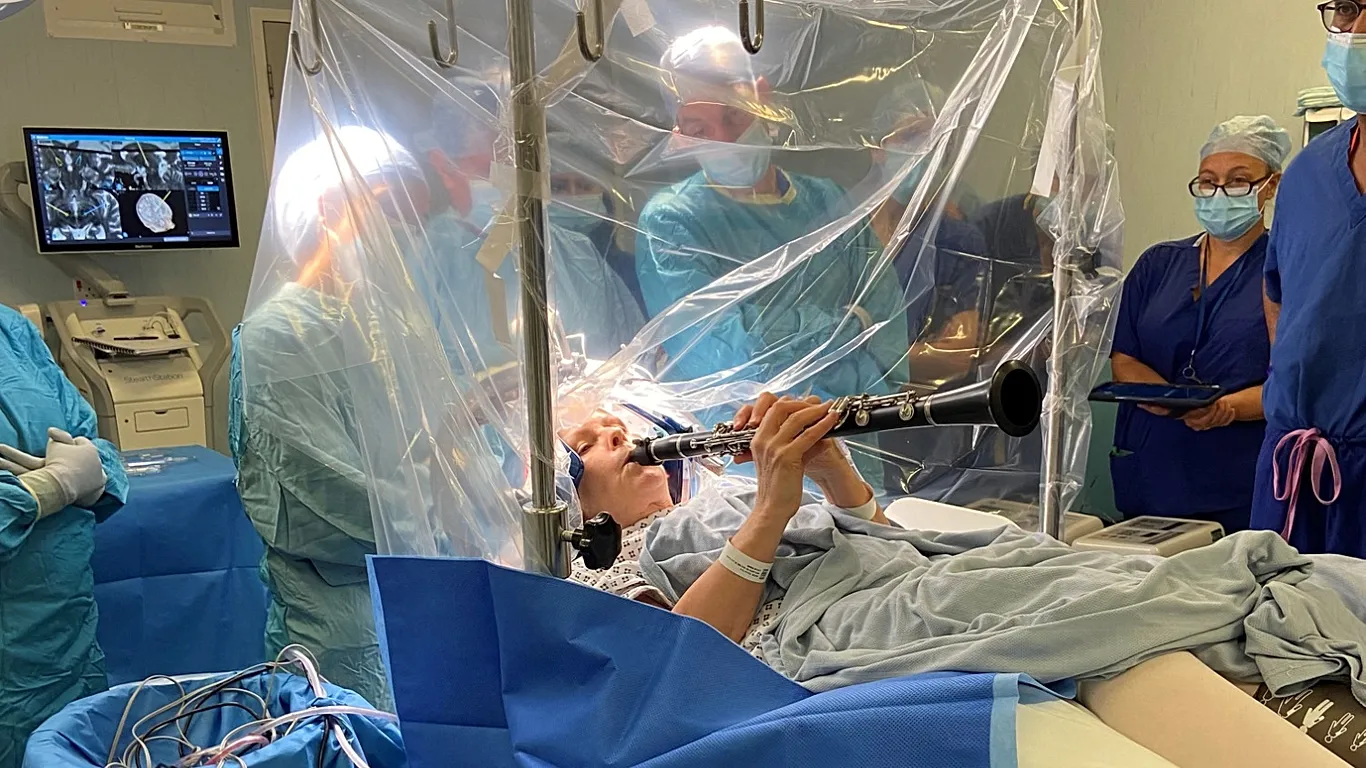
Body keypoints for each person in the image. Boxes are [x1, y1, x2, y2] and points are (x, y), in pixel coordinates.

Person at [229, 125, 433, 711]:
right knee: (347, 738)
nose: (404, 236)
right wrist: (441, 515)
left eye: (411, 221)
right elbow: (323, 501)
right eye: (389, 213)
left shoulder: (387, 326)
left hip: (416, 603)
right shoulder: (276, 339)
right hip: (339, 634)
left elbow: (430, 449)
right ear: (328, 209)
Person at [634, 26, 910, 402]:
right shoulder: (670, 223)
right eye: (700, 129)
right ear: (680, 134)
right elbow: (728, 356)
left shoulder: (828, 200)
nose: (725, 139)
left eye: (734, 116)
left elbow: (887, 327)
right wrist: (849, 324)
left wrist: (784, 334)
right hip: (748, 435)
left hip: (858, 422)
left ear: (762, 97)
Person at [563, 393, 886, 649]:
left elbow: (893, 550)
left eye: (619, 426)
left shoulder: (729, 497)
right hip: (860, 646)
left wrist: (833, 473)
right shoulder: (588, 574)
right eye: (585, 446)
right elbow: (673, 656)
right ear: (563, 498)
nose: (618, 434)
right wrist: (770, 512)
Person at [1110, 116, 1290, 535]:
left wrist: (1226, 409)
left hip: (1237, 481)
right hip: (1152, 471)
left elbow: (1295, 381)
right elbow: (1124, 357)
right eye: (1208, 182)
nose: (1220, 192)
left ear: (1271, 185)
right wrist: (1168, 400)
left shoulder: (1284, 271)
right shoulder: (1158, 264)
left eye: (1238, 180)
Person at [1251, 2, 1366, 556]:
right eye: (1347, 9)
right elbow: (1279, 293)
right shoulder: (1308, 172)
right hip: (1294, 468)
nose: (1357, 29)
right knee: (1279, 607)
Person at [0, 304, 128, 768]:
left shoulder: (10, 329)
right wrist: (45, 490)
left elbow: (90, 440)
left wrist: (92, 473)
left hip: (66, 644)